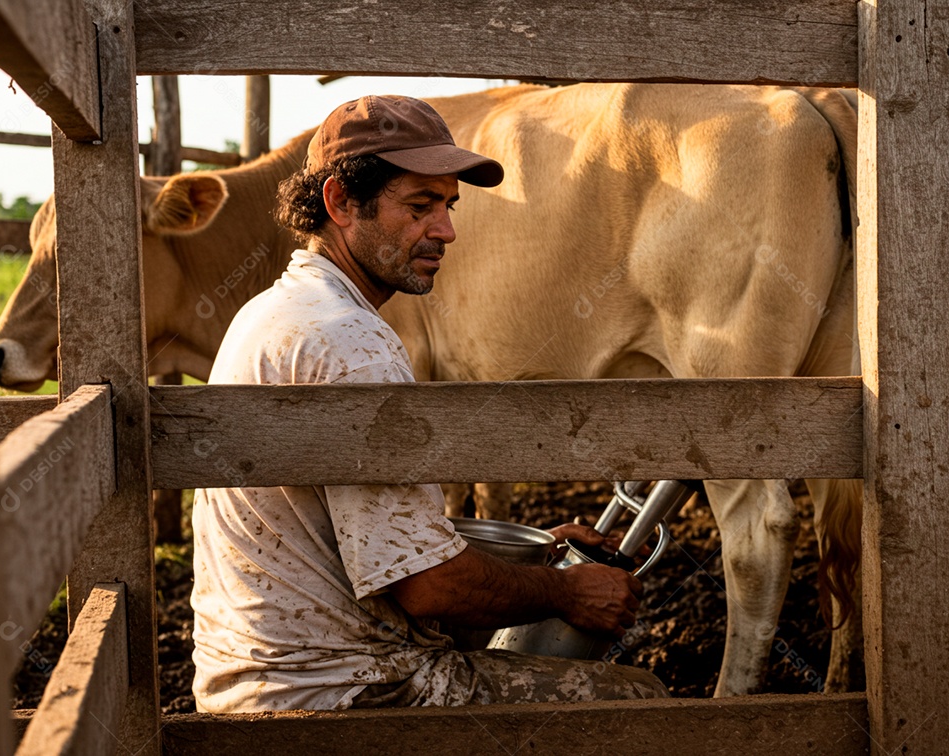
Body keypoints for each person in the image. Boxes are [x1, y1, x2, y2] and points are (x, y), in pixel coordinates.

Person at [190, 94, 669, 711]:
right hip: (346, 690)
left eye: (448, 204)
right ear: (339, 202)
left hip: (257, 678)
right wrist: (565, 592)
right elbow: (426, 586)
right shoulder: (351, 343)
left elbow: (360, 533)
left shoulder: (276, 312)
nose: (445, 230)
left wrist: (536, 552)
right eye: (419, 206)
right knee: (642, 700)